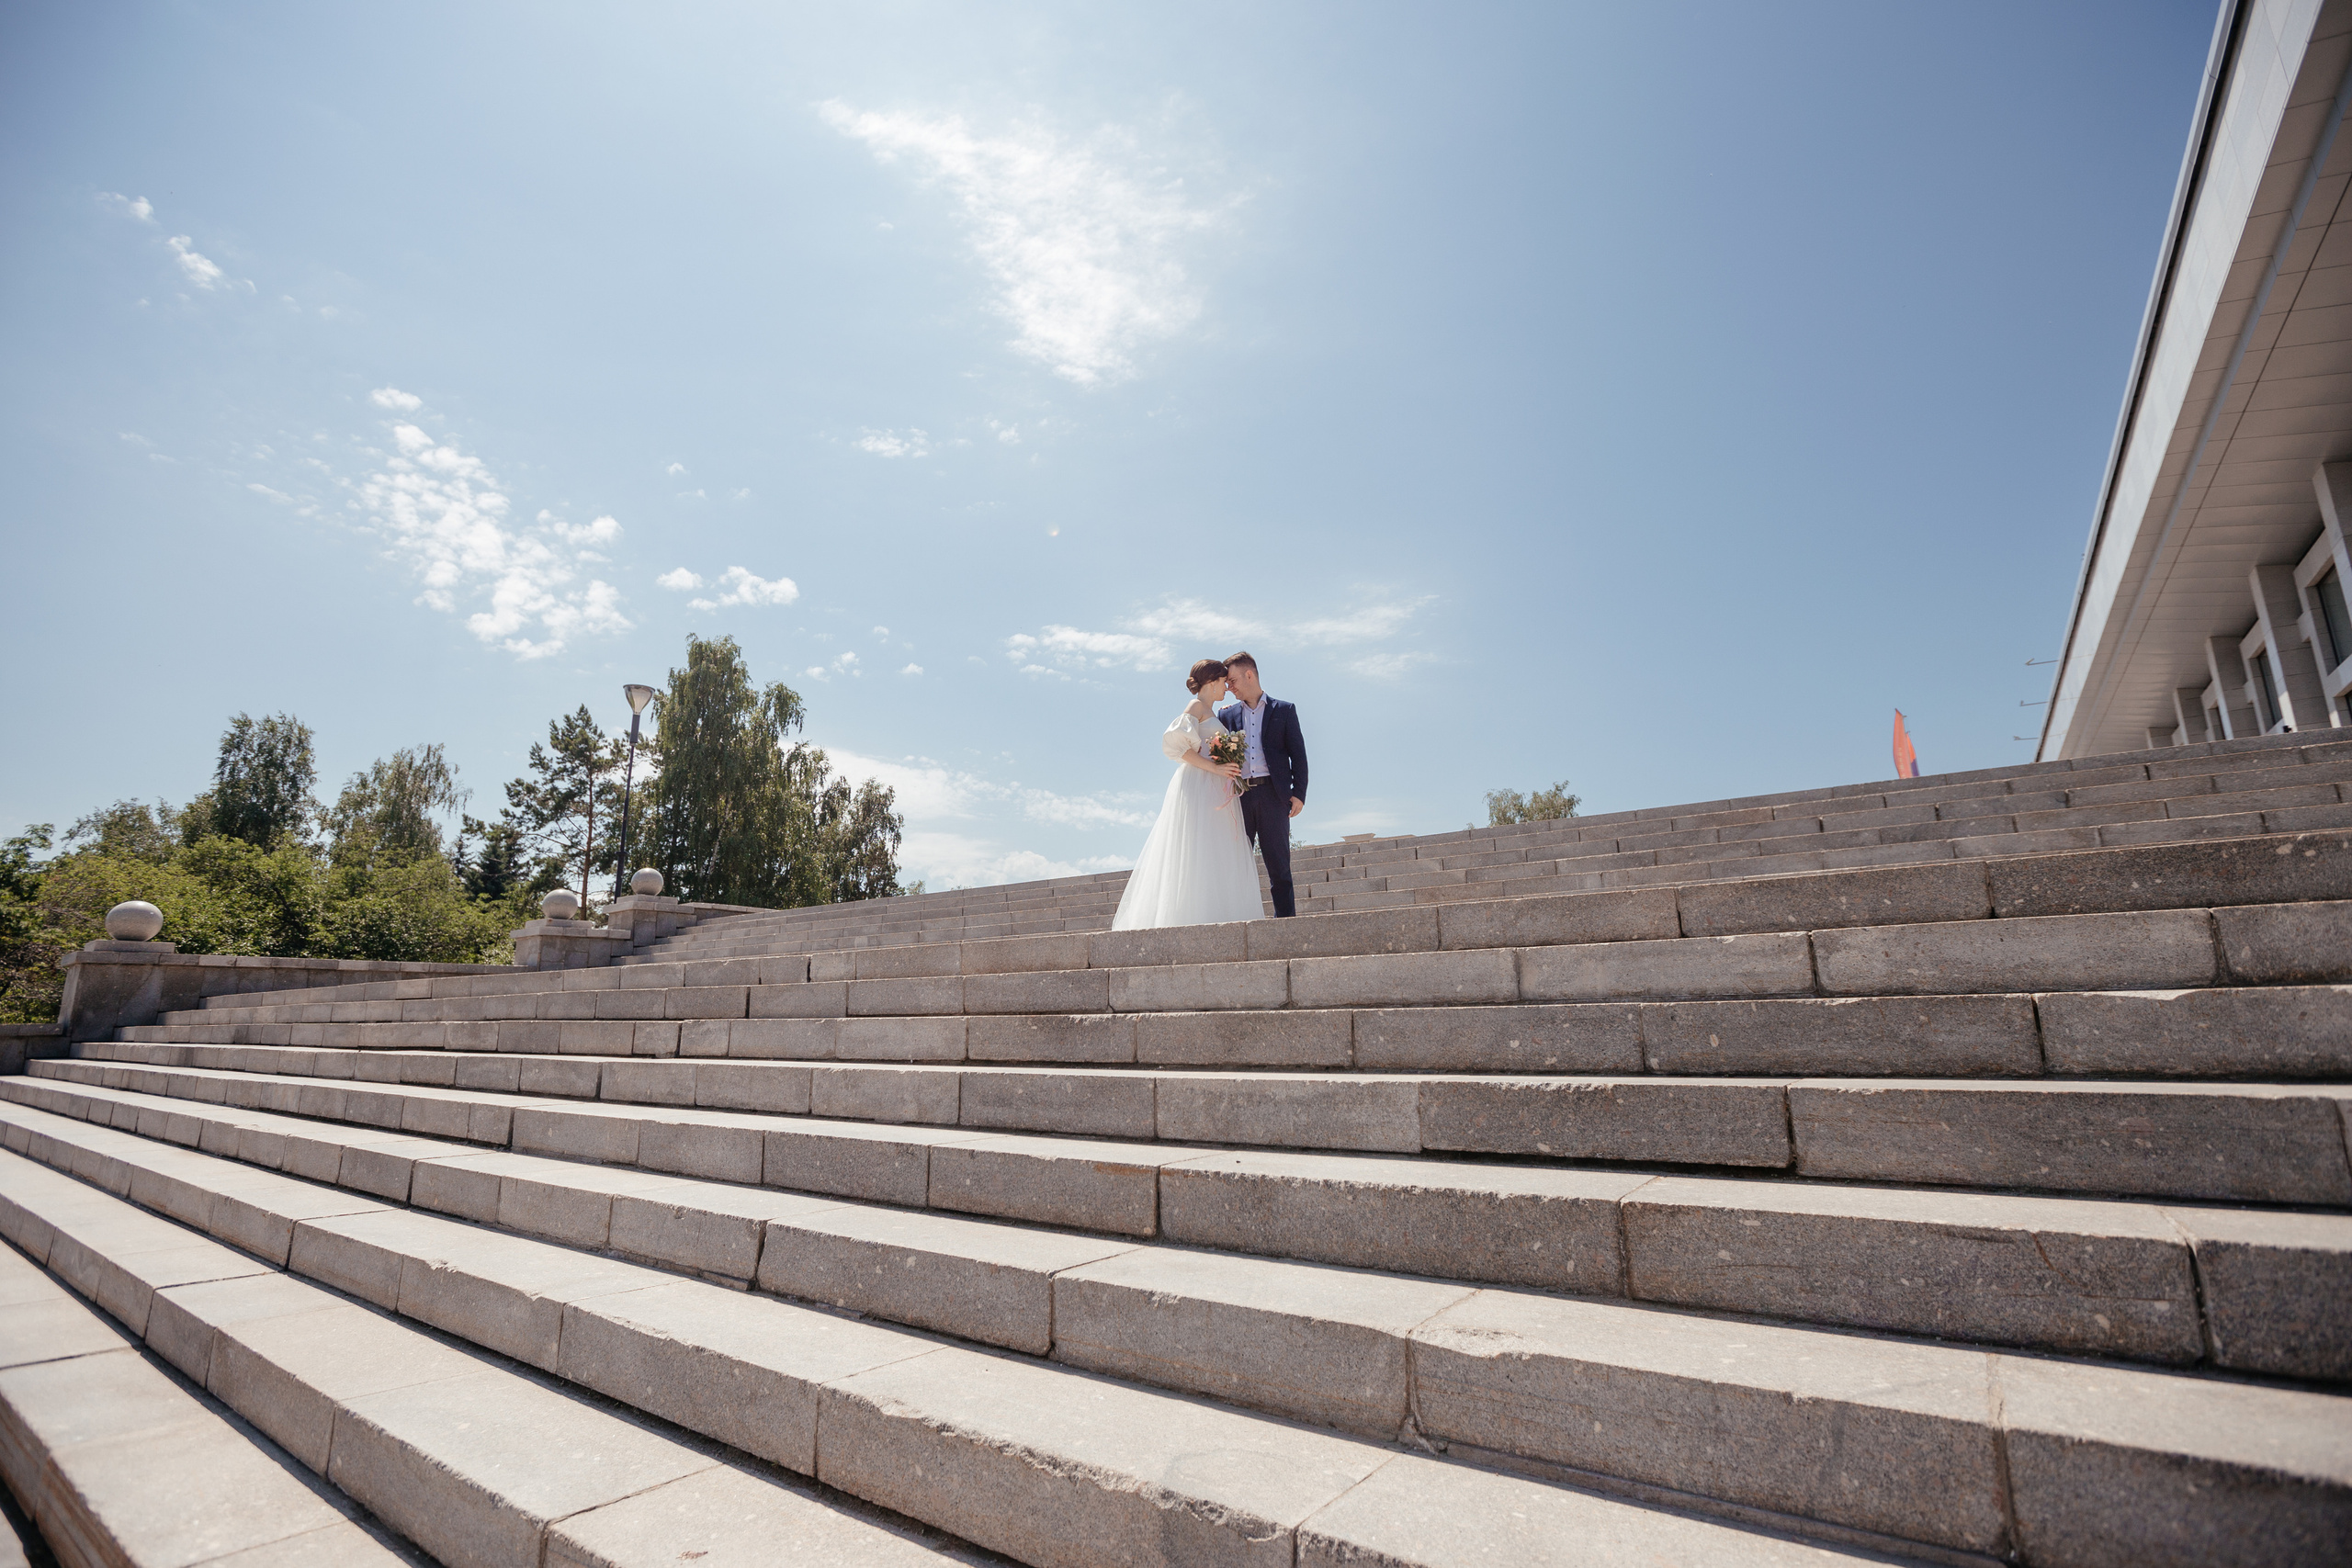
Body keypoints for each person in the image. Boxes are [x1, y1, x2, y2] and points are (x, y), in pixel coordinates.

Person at [1109, 659, 1268, 930]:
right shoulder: (1196, 706)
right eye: (1223, 683)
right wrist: (1215, 769)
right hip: (1200, 785)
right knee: (1198, 848)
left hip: (1217, 789)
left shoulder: (1212, 712)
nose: (1226, 688)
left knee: (1216, 851)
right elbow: (1177, 747)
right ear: (1212, 681)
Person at [1215, 650, 1307, 918]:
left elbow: (1298, 754)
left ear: (1249, 674)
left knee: (1279, 867)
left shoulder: (1285, 710)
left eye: (1231, 680)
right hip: (1238, 798)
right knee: (1236, 864)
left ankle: (1286, 923)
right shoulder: (1226, 716)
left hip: (1273, 797)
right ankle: (1237, 920)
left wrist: (1298, 793)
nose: (1229, 687)